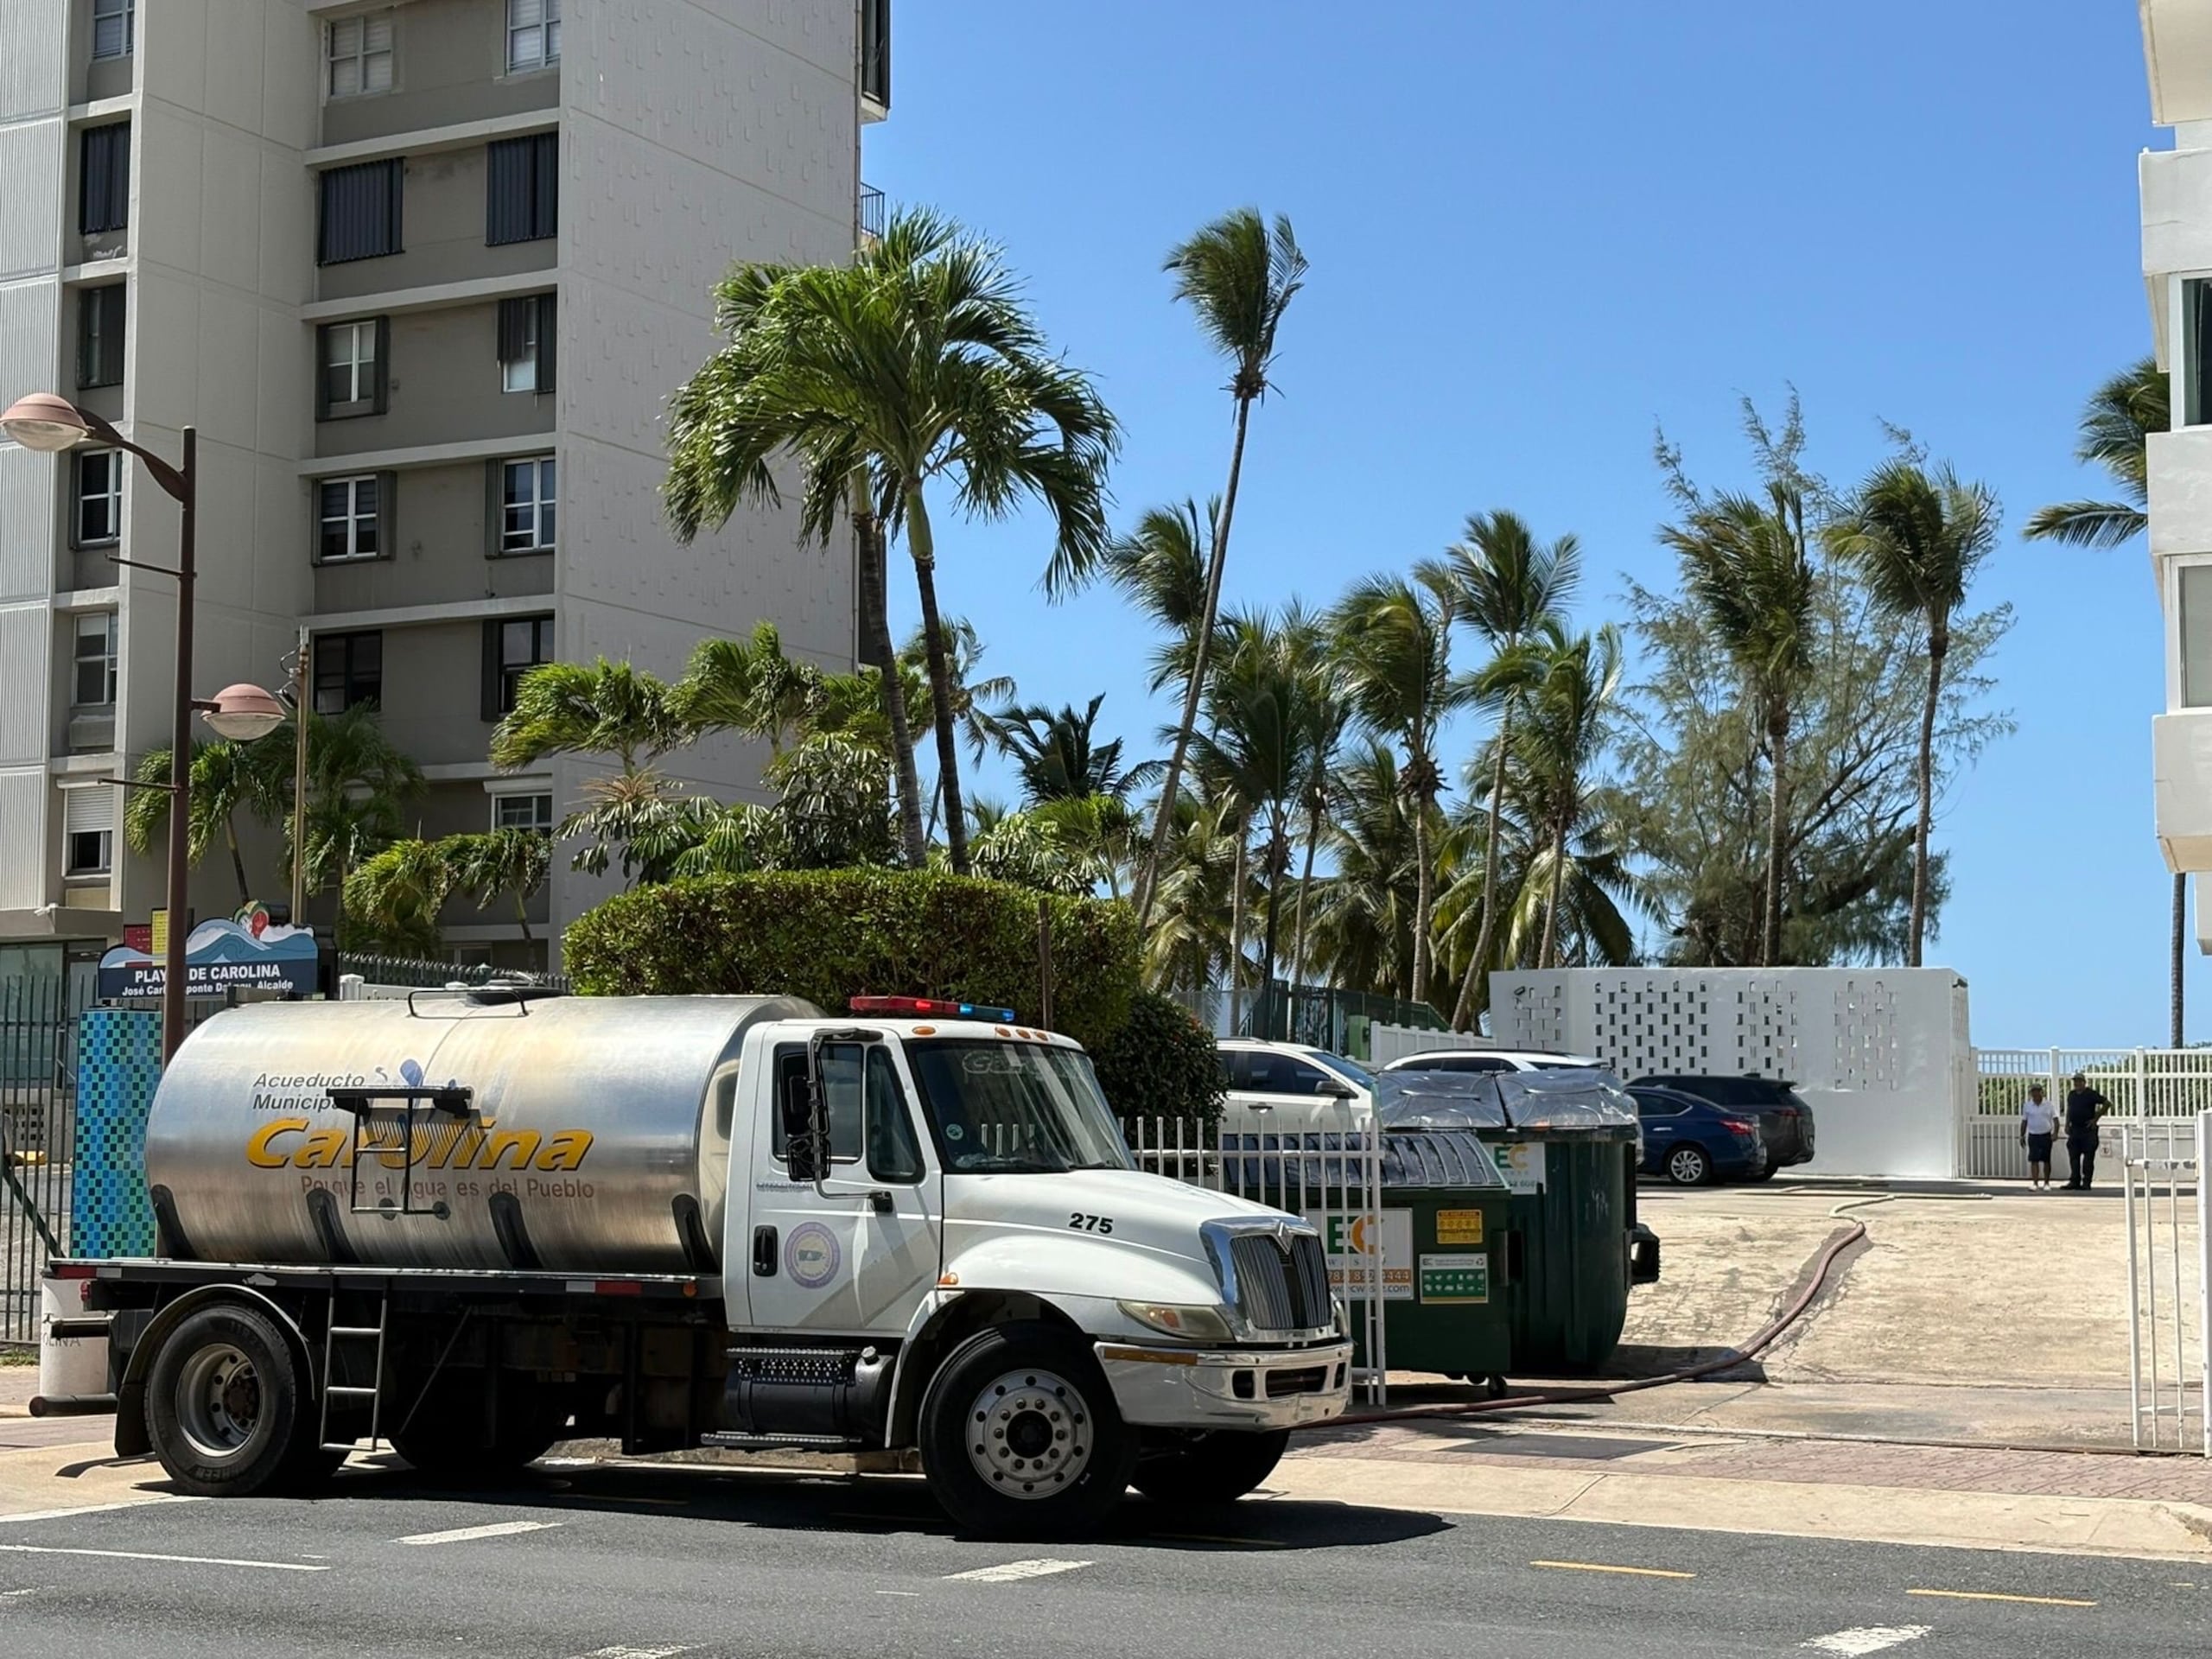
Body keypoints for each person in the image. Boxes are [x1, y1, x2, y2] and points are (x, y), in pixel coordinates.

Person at [2063, 1071, 2112, 1192]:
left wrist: (2095, 1119)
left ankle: (2086, 1183)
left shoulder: (2090, 1094)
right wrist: (2067, 1124)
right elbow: (2069, 1110)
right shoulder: (2072, 1095)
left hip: (2088, 1131)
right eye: (2075, 1081)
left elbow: (2107, 1103)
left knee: (2088, 1159)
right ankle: (2074, 1181)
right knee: (2074, 1157)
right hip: (2074, 1130)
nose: (2077, 1083)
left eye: (2079, 1081)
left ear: (2084, 1082)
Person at [2019, 1083, 2057, 1190]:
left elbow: (2055, 1119)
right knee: (2034, 1160)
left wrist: (2055, 1133)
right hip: (2033, 1135)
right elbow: (2024, 1121)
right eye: (2033, 1091)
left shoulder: (2049, 1105)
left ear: (2041, 1092)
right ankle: (2035, 1183)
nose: (2035, 1093)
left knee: (2046, 1160)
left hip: (2046, 1135)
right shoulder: (2027, 1105)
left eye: (2037, 1091)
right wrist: (2021, 1135)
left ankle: (2046, 1183)